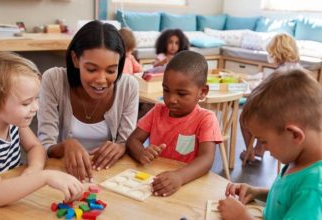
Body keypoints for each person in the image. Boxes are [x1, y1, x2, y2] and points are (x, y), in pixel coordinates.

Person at [0, 52, 83, 206]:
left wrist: (34, 168)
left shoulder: (11, 120)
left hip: (6, 197)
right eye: (26, 103)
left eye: (36, 98)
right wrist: (44, 177)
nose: (36, 107)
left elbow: (35, 146)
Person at [38, 20, 139, 182]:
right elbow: (44, 145)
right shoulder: (54, 80)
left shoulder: (128, 86)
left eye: (111, 70)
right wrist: (66, 145)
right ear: (75, 59)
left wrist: (122, 146)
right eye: (92, 69)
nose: (101, 80)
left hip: (107, 176)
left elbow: (126, 141)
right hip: (62, 175)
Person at [218, 69, 322, 220]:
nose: (264, 149)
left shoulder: (314, 189)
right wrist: (257, 192)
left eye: (264, 141)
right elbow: (288, 198)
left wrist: (242, 218)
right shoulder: (300, 157)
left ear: (294, 135)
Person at [126, 51, 222, 197]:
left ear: (203, 92)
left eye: (181, 94)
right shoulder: (157, 111)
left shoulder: (206, 119)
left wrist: (180, 177)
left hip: (187, 184)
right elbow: (133, 140)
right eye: (166, 90)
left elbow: (206, 159)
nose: (171, 99)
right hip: (154, 181)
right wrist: (141, 153)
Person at [240, 33, 302, 163]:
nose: (271, 57)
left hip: (279, 118)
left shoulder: (281, 73)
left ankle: (250, 152)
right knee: (262, 112)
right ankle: (259, 149)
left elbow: (264, 94)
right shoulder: (297, 69)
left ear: (278, 53)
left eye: (271, 53)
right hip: (294, 116)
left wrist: (254, 88)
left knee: (244, 118)